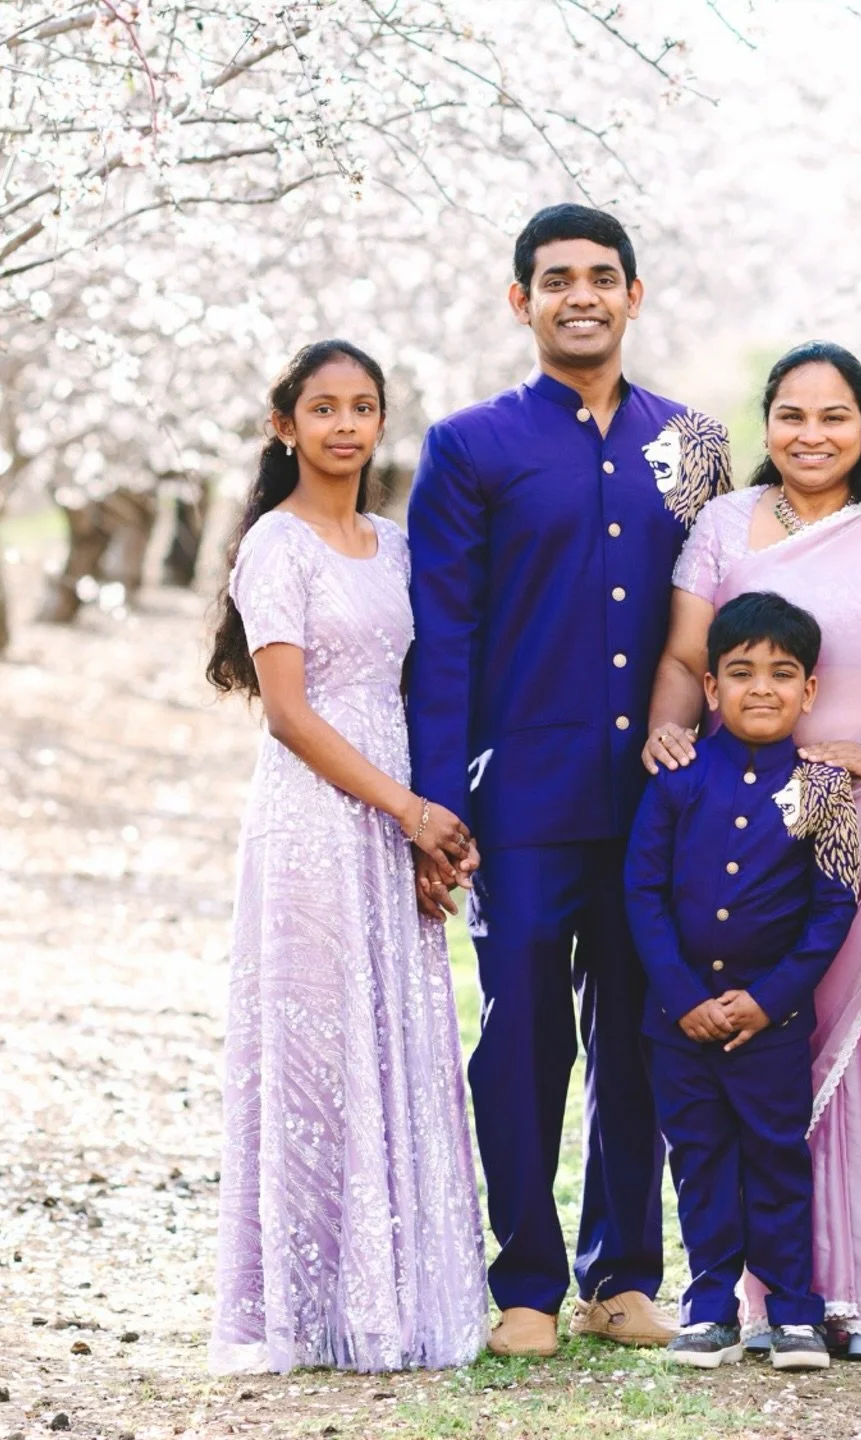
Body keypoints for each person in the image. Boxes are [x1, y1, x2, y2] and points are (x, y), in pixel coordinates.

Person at [406, 204, 731, 1358]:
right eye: (556, 280)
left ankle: (625, 1276)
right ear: (521, 302)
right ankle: (528, 1285)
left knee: (645, 1036)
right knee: (526, 1034)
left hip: (660, 803)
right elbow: (442, 637)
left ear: (634, 296)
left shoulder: (694, 442)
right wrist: (439, 801)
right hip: (522, 803)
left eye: (602, 277)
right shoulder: (469, 447)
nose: (580, 295)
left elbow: (718, 621)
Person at [645, 341, 861, 1359]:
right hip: (746, 822)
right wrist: (669, 734)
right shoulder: (721, 522)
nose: (811, 436)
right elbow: (686, 654)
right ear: (765, 423)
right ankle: (777, 1297)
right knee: (770, 1062)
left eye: (834, 416)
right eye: (792, 416)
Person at [206, 340, 488, 1373]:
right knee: (319, 1047)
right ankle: (307, 1304)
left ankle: (392, 1299)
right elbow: (287, 713)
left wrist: (422, 825)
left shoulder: (396, 543)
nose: (344, 426)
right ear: (286, 426)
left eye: (363, 407)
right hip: (315, 820)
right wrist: (407, 811)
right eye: (322, 408)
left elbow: (418, 686)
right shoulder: (276, 548)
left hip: (394, 808)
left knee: (392, 1034)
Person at [627, 592, 859, 1372]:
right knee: (698, 1160)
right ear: (712, 686)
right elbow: (643, 895)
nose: (763, 688)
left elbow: (833, 909)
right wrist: (683, 997)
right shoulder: (678, 773)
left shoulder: (825, 789)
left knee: (776, 1158)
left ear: (810, 690)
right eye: (742, 672)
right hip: (679, 1025)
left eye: (783, 673)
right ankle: (708, 1307)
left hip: (772, 1027)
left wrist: (770, 999)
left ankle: (793, 1308)